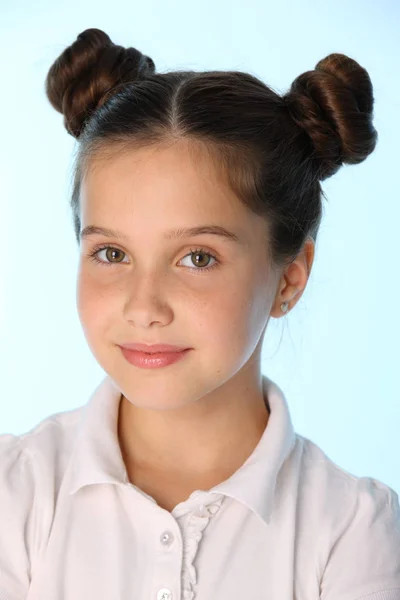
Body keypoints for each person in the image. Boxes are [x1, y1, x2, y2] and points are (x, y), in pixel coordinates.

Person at [1, 27, 399, 600]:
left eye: (196, 257)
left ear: (290, 276)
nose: (144, 306)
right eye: (111, 253)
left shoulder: (350, 530)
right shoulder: (15, 494)